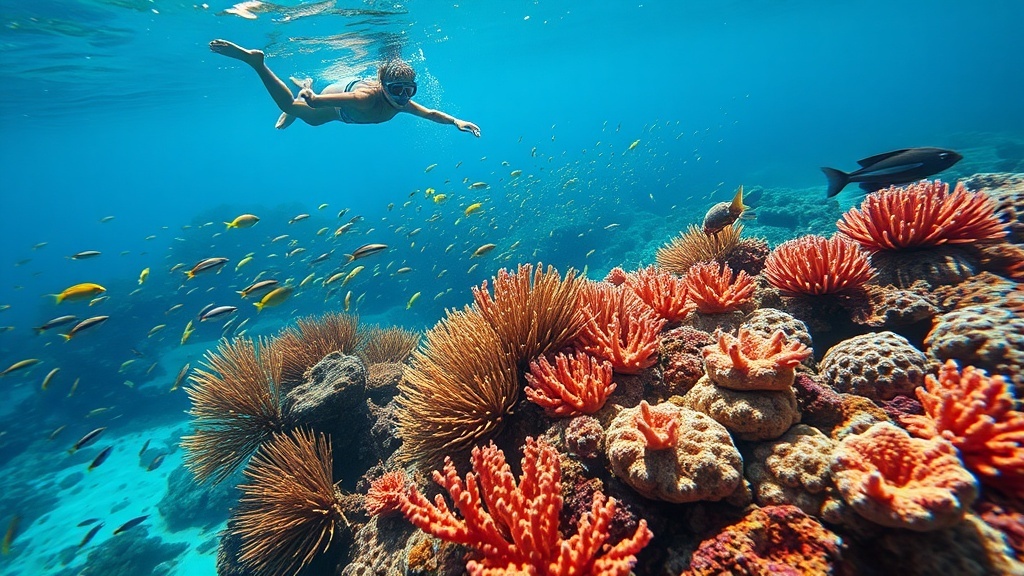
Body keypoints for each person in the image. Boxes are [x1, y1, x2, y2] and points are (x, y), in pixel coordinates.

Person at [208, 39, 481, 136]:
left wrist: (456, 120)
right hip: (334, 99)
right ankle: (257, 63)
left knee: (306, 116)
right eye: (397, 90)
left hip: (342, 94)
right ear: (383, 86)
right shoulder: (365, 98)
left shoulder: (400, 101)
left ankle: (301, 95)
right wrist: (308, 92)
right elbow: (315, 102)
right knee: (294, 108)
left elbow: (432, 113)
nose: (404, 98)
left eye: (409, 90)